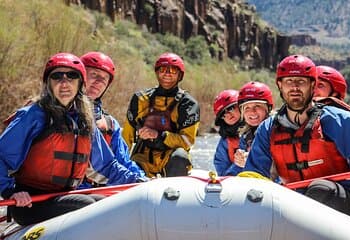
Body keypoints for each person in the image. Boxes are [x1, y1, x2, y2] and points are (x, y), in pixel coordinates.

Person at [0, 53, 142, 226]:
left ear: (80, 84)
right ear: (48, 83)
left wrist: (139, 182)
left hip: (64, 196)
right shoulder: (33, 115)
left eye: (72, 76)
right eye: (57, 76)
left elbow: (107, 165)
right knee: (88, 206)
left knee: (111, 205)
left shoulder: (85, 120)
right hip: (30, 201)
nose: (64, 83)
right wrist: (9, 191)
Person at [240, 55, 350, 219]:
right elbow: (253, 176)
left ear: (313, 85)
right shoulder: (267, 129)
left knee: (321, 190)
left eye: (301, 81)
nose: (294, 87)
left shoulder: (337, 120)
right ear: (280, 86)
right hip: (294, 205)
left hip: (343, 203)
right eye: (289, 81)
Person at [122, 52, 200, 177]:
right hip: (144, 156)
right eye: (163, 69)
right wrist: (119, 164)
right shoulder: (140, 99)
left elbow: (187, 141)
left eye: (173, 70)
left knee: (180, 157)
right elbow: (126, 137)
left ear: (180, 75)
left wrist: (159, 135)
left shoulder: (188, 104)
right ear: (157, 72)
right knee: (131, 166)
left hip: (171, 156)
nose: (167, 73)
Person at [80, 51, 145, 187]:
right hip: (68, 191)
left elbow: (123, 161)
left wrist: (143, 179)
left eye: (104, 79)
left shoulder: (110, 124)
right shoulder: (62, 113)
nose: (98, 82)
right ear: (80, 76)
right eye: (94, 75)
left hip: (99, 190)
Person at [213, 89, 244, 176]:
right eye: (223, 114)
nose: (228, 115)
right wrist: (238, 165)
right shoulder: (224, 143)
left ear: (241, 106)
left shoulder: (261, 130)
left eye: (230, 108)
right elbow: (223, 175)